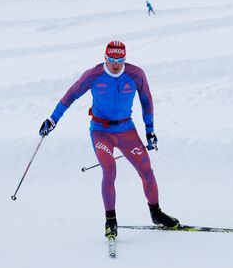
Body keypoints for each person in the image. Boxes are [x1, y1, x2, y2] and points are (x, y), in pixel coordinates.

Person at [39, 40, 179, 239]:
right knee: (110, 169)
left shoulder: (136, 74)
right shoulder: (93, 75)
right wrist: (53, 119)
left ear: (125, 59)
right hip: (101, 131)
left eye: (120, 60)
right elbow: (70, 95)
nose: (115, 64)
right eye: (111, 59)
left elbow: (147, 102)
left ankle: (156, 213)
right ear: (105, 58)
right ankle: (110, 221)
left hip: (126, 130)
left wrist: (150, 132)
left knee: (146, 170)